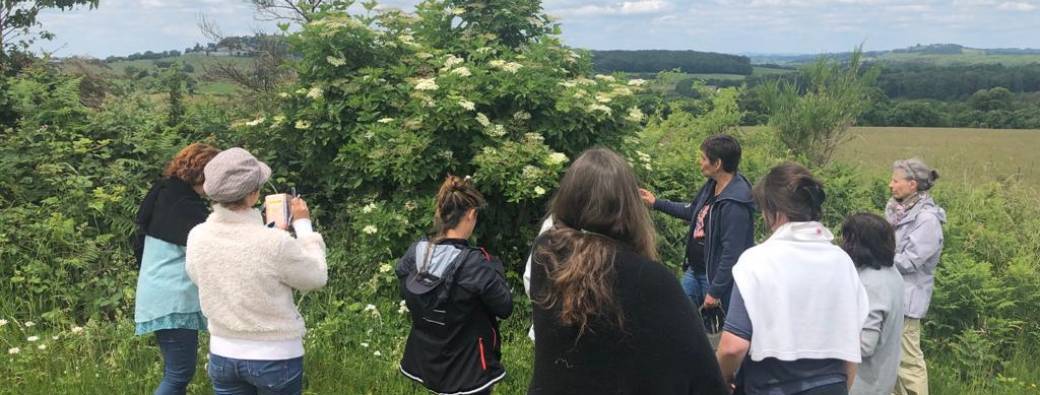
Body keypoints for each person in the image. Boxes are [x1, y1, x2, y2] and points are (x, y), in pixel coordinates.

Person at [528, 148, 729, 395]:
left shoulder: (546, 256)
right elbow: (705, 377)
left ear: (567, 199)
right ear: (629, 208)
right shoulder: (652, 280)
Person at [717, 162, 869, 395]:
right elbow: (851, 342)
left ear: (774, 210)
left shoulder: (757, 261)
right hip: (831, 387)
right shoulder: (842, 262)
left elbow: (733, 347)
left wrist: (720, 380)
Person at [186, 147, 327, 395]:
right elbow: (316, 277)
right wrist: (304, 226)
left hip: (223, 352)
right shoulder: (274, 243)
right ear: (253, 194)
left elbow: (199, 276)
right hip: (275, 355)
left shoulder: (198, 236)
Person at [397, 175, 513, 395]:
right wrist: (495, 269)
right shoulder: (476, 264)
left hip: (428, 361)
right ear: (471, 214)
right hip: (470, 370)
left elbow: (404, 283)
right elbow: (505, 307)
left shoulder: (416, 252)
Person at [133, 142, 220, 395]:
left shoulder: (166, 192)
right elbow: (210, 249)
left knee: (177, 372)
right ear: (204, 173)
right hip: (173, 298)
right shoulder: (184, 205)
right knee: (178, 374)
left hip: (160, 292)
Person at [639, 134, 755, 318]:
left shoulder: (734, 204)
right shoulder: (712, 186)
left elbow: (732, 253)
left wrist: (715, 291)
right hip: (695, 271)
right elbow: (692, 211)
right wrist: (656, 203)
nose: (700, 162)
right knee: (678, 317)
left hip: (713, 279)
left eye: (704, 158)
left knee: (717, 327)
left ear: (717, 164)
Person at [886, 159, 945, 395]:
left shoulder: (927, 220)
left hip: (908, 301)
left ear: (912, 185)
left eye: (896, 181)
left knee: (909, 364)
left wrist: (875, 255)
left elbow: (910, 261)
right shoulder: (897, 211)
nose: (890, 185)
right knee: (891, 361)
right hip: (892, 295)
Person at [840, 213, 905, 395]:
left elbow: (865, 345)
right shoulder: (893, 273)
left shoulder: (871, 283)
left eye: (848, 239)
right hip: (882, 378)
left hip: (863, 383)